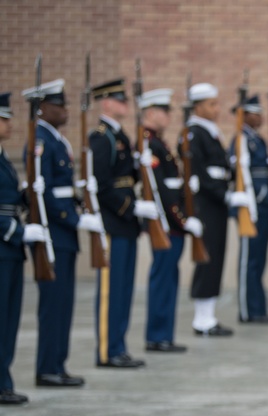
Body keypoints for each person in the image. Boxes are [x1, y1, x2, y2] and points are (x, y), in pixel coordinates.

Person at [23, 79, 98, 388]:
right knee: (53, 304)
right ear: (42, 109)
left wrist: (81, 200)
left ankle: (58, 363)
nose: (65, 111)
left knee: (64, 303)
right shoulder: (40, 140)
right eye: (59, 106)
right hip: (53, 232)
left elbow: (62, 189)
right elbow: (45, 195)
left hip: (64, 233)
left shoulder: (57, 140)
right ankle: (47, 367)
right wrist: (73, 219)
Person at [90, 78, 146, 369]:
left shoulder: (120, 135)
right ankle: (107, 349)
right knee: (111, 292)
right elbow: (101, 184)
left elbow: (128, 177)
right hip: (114, 222)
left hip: (127, 222)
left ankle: (119, 345)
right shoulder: (102, 137)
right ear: (107, 103)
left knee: (124, 290)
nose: (125, 105)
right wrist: (129, 207)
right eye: (120, 100)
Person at [140, 88, 201, 352]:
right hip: (165, 224)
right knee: (163, 278)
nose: (168, 116)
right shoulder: (149, 144)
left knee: (169, 278)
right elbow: (162, 192)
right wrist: (182, 221)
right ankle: (157, 335)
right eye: (164, 111)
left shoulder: (159, 143)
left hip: (171, 223)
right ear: (151, 112)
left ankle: (163, 333)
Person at [184, 82, 246, 336]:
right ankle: (201, 318)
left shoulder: (210, 131)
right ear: (198, 107)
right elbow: (199, 171)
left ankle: (208, 315)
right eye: (212, 104)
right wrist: (224, 195)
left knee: (216, 257)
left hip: (218, 202)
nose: (217, 109)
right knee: (207, 258)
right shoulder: (194, 133)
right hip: (207, 203)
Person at [1, 92, 43, 405]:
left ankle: (4, 379)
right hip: (4, 247)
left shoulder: (3, 158)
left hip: (11, 252)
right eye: (3, 119)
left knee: (10, 319)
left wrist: (28, 194)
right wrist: (18, 231)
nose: (8, 125)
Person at [230, 94, 268, 324]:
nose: (260, 117)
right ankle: (247, 310)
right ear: (245, 115)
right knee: (248, 260)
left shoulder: (258, 140)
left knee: (259, 260)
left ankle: (258, 308)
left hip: (264, 204)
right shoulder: (240, 140)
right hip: (251, 207)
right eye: (255, 113)